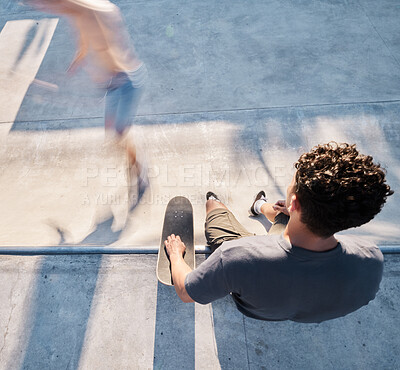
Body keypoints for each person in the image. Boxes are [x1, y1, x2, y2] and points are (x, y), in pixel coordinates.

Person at [165, 142, 393, 323]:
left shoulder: (235, 256)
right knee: (280, 215)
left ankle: (223, 203)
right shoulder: (371, 259)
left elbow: (186, 292)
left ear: (295, 203)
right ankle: (259, 206)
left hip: (256, 308)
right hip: (300, 305)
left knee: (214, 208)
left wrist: (176, 254)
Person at [25, 0, 148, 203]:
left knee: (118, 130)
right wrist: (79, 59)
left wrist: (102, 67)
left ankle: (141, 173)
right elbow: (83, 40)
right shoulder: (79, 16)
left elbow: (102, 31)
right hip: (113, 84)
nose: (47, 9)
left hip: (127, 82)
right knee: (114, 132)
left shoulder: (98, 11)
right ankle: (134, 159)